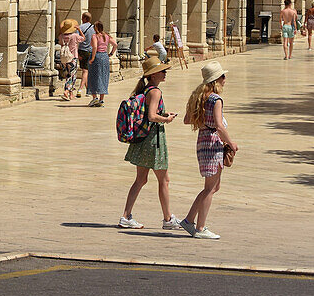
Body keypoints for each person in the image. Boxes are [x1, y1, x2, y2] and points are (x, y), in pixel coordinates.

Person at [119, 55, 182, 231]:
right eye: (162, 71)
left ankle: (126, 215)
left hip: (143, 139)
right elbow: (152, 116)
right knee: (164, 180)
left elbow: (151, 111)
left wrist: (164, 113)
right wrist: (166, 119)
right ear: (153, 75)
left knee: (141, 180)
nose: (165, 73)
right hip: (153, 140)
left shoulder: (146, 90)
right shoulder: (155, 91)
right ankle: (168, 219)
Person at [180, 62, 237, 240]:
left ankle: (189, 220)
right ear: (216, 80)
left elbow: (187, 120)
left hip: (202, 140)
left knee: (213, 186)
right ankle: (200, 227)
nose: (225, 79)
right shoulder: (215, 99)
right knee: (210, 188)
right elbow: (219, 126)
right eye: (223, 76)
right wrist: (231, 143)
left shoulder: (198, 97)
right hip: (213, 143)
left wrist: (204, 121)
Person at [87, 21, 116, 107]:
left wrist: (92, 58)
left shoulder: (95, 36)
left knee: (93, 77)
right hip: (105, 57)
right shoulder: (106, 36)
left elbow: (95, 46)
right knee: (103, 76)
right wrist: (111, 54)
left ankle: (95, 97)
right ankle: (101, 99)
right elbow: (115, 44)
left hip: (97, 56)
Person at [56, 19, 83, 101]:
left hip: (64, 58)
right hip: (73, 57)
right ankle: (66, 91)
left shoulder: (61, 36)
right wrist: (79, 30)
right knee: (73, 76)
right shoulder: (74, 36)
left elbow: (61, 44)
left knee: (68, 76)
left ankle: (71, 95)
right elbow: (83, 38)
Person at [76, 12, 95, 97]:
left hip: (82, 50)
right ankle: (88, 90)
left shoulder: (80, 27)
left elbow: (76, 40)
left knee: (85, 71)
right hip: (90, 51)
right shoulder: (94, 28)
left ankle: (80, 89)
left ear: (84, 18)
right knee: (86, 70)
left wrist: (76, 53)